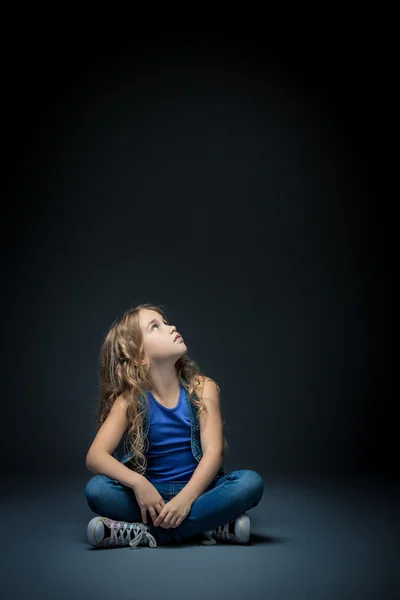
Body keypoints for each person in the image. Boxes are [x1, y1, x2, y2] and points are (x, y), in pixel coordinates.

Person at [84, 302, 264, 549]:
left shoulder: (203, 388)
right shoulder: (130, 400)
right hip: (150, 497)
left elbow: (213, 453)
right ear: (139, 357)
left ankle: (147, 532)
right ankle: (208, 526)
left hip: (198, 492)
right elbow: (95, 456)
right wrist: (139, 484)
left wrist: (186, 499)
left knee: (249, 483)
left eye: (166, 322)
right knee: (97, 490)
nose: (171, 327)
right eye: (155, 327)